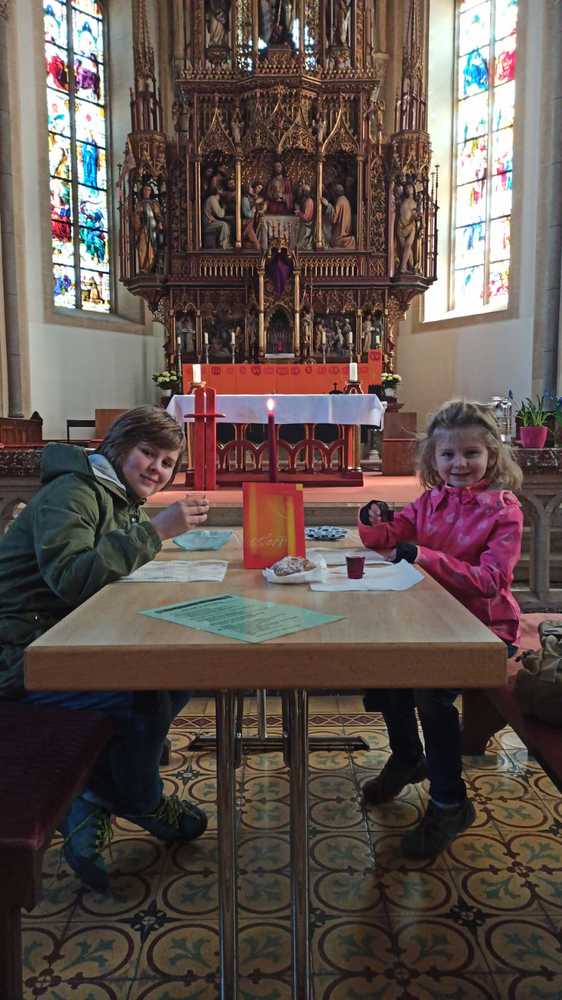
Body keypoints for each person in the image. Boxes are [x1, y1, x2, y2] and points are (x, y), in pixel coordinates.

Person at [0, 407, 211, 891]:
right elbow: (73, 578)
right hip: (22, 654)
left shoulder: (111, 492)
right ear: (118, 448)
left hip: (61, 637)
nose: (156, 469)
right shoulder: (74, 492)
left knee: (179, 675)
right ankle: (136, 800)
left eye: (167, 462)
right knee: (143, 696)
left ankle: (99, 794)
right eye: (147, 453)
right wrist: (155, 531)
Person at [358, 399, 523, 859]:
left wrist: (423, 556)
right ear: (433, 458)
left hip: (484, 627)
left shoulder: (503, 511)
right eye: (448, 454)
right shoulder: (432, 500)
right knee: (383, 667)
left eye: (471, 453)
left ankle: (450, 803)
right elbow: (391, 535)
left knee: (430, 690)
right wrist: (374, 519)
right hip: (431, 617)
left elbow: (491, 581)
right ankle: (408, 757)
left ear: (492, 455)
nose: (459, 464)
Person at [133, 183, 163, 272]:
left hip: (153, 227)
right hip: (143, 227)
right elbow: (136, 217)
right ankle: (144, 267)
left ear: (151, 192)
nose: (146, 192)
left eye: (148, 190)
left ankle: (152, 265)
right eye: (145, 190)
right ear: (142, 192)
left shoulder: (154, 203)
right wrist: (138, 217)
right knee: (142, 246)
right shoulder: (139, 204)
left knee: (154, 246)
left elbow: (158, 215)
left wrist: (160, 223)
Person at [322, 184, 356, 249]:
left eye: (333, 192)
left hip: (340, 234)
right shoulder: (345, 200)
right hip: (346, 232)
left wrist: (328, 205)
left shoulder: (339, 201)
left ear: (336, 193)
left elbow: (334, 219)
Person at [203, 180, 231, 249]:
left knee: (227, 224)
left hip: (211, 221)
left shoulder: (215, 199)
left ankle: (224, 243)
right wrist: (224, 208)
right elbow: (220, 214)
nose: (225, 192)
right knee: (224, 225)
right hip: (208, 223)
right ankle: (223, 244)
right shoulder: (213, 199)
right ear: (218, 191)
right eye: (223, 190)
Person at [294, 183, 314, 250]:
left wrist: (298, 212)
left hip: (306, 227)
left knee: (298, 245)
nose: (301, 193)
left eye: (303, 191)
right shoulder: (304, 200)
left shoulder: (309, 201)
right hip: (303, 224)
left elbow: (306, 217)